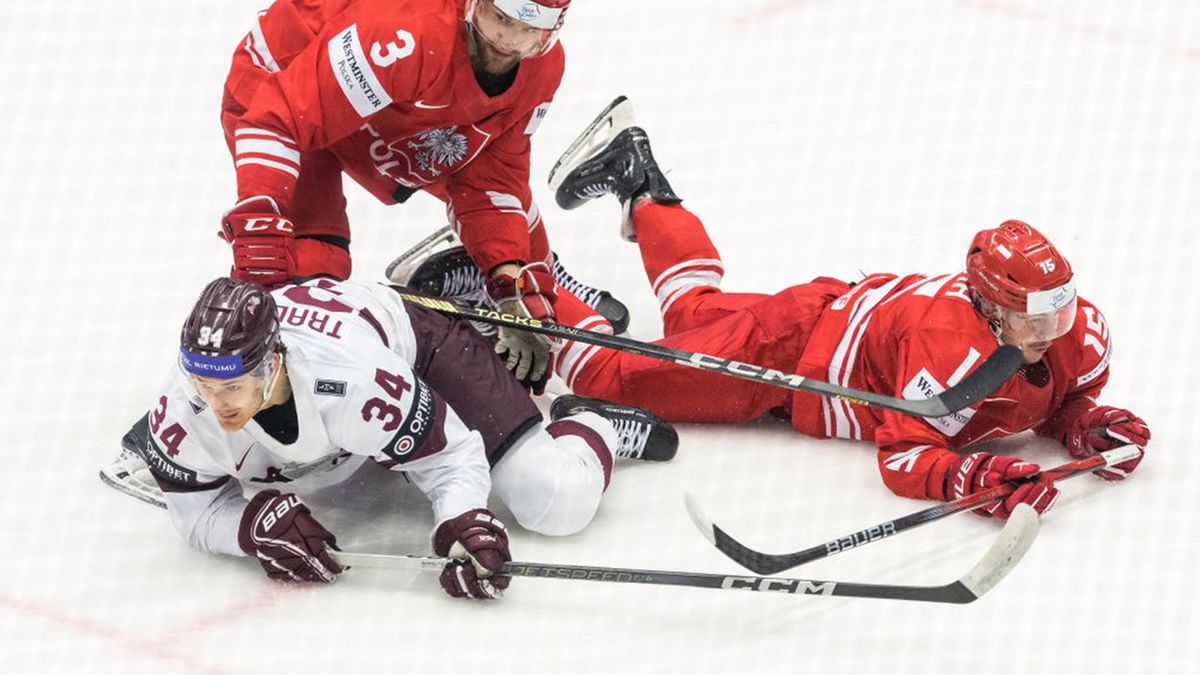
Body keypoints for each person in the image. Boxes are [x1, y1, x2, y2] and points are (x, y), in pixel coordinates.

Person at [414, 97, 1151, 520]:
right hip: (791, 356)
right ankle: (500, 276)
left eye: (1060, 310)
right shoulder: (946, 346)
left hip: (823, 317)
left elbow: (1056, 396)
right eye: (1034, 317)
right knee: (607, 374)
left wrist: (1082, 422)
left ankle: (636, 175)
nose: (1054, 329)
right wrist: (978, 479)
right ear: (989, 308)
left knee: (692, 313)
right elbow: (906, 455)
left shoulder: (1078, 331)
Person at [106, 276, 676, 598]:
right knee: (347, 474)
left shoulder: (353, 382)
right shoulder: (182, 407)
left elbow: (451, 457)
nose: (215, 404)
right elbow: (195, 515)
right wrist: (246, 530)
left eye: (232, 385)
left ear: (274, 362)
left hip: (418, 349)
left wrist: (461, 521)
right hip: (348, 407)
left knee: (555, 499)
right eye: (202, 383)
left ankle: (589, 420)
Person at [220, 0, 626, 390]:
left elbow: (493, 180)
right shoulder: (407, 31)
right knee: (305, 285)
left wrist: (509, 282)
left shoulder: (542, 67)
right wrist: (261, 214)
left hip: (387, 104)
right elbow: (277, 117)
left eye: (529, 29)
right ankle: (233, 385)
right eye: (502, 18)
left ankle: (556, 300)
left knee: (520, 247)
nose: (509, 40)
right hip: (285, 86)